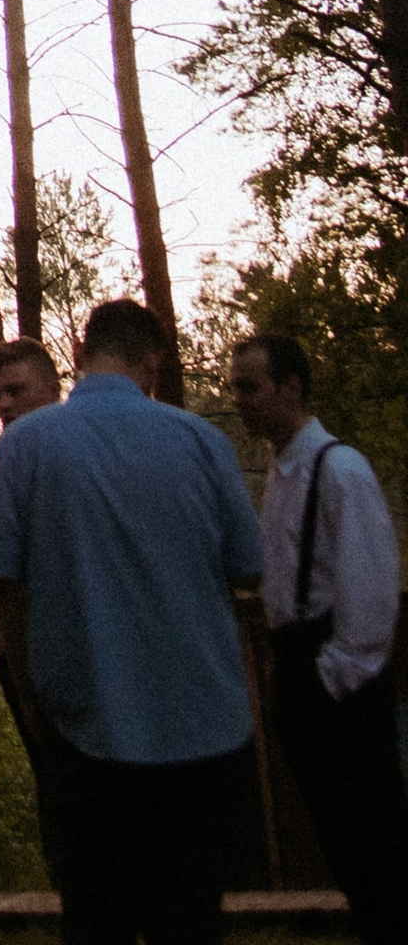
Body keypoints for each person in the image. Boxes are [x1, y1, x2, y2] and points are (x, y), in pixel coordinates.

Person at [0, 297, 262, 945]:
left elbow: (4, 588)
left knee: (97, 918)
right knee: (189, 921)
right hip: (199, 729)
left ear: (79, 356)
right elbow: (248, 567)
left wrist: (31, 697)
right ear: (153, 363)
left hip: (85, 732)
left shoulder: (26, 446)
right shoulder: (203, 442)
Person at [229, 331, 408, 945]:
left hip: (338, 686)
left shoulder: (341, 470)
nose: (238, 400)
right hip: (301, 670)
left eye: (249, 387)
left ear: (291, 387)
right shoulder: (284, 471)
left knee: (375, 843)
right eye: (234, 387)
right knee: (343, 844)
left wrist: (328, 680)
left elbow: (372, 596)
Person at [0, 338, 65, 868]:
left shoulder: (85, 461)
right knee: (57, 786)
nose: (4, 403)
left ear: (53, 387)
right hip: (33, 664)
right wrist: (7, 665)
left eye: (16, 391)